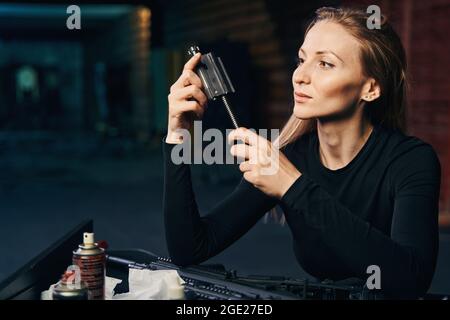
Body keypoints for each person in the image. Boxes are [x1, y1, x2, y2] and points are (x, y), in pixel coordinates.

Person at [162, 7, 441, 299]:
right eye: (302, 59)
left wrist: (292, 186)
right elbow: (190, 248)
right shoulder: (290, 158)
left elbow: (410, 281)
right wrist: (176, 135)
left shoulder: (411, 161)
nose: (300, 76)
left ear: (370, 89)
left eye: (325, 64)